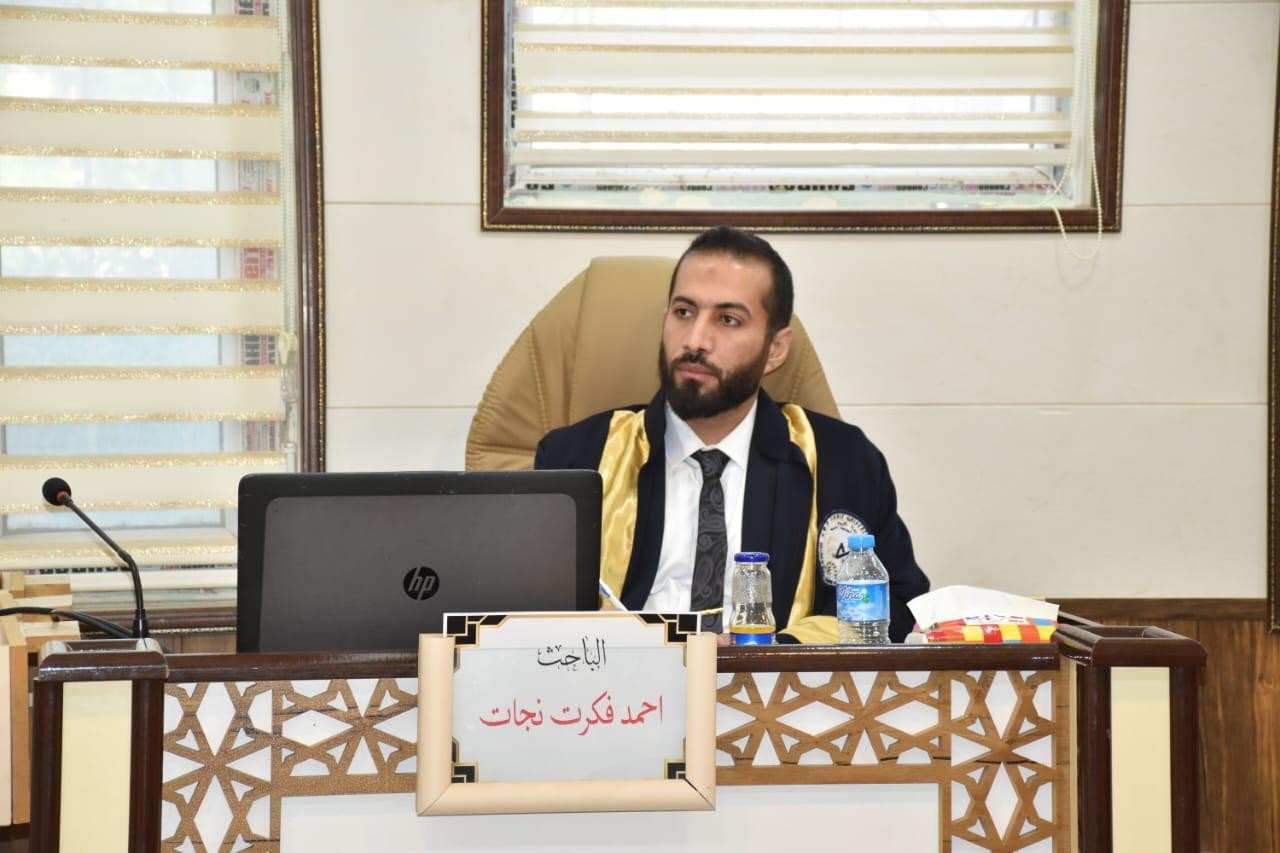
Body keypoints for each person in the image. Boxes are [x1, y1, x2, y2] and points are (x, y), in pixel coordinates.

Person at [534, 226, 929, 642]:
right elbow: (522, 608)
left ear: (775, 349)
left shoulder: (841, 461)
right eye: (683, 312)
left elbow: (898, 604)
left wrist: (768, 650)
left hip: (771, 680)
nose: (695, 340)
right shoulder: (577, 457)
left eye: (728, 320)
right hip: (618, 677)